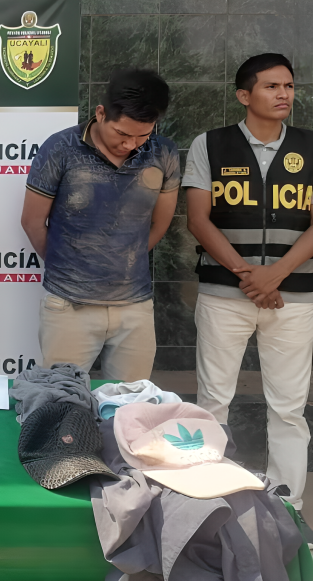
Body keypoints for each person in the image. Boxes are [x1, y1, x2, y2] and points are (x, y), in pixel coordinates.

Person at [184, 53, 313, 533]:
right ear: (244, 95)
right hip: (225, 295)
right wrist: (249, 276)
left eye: (289, 86)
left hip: (294, 298)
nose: (284, 94)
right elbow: (199, 220)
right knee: (212, 401)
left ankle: (288, 507)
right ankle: (203, 499)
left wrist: (274, 275)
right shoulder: (210, 144)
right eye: (272, 86)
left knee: (289, 409)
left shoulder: (310, 147)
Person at [21, 68, 179, 382]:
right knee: (61, 400)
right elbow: (32, 221)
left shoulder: (163, 152)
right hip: (69, 305)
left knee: (130, 404)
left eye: (142, 135)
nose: (131, 144)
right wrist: (71, 264)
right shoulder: (61, 148)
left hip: (135, 308)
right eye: (122, 134)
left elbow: (161, 222)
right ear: (101, 113)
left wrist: (124, 258)